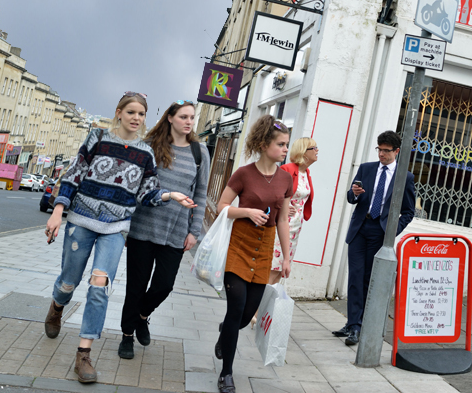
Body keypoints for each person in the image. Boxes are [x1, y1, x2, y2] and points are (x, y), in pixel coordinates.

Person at [42, 93, 196, 383]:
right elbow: (74, 173)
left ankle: (83, 354)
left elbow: (147, 193)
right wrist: (58, 211)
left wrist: (170, 195)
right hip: (81, 220)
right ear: (119, 113)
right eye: (131, 112)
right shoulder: (97, 138)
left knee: (99, 285)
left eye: (141, 114)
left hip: (116, 227)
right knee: (69, 281)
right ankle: (57, 306)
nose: (136, 118)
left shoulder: (146, 154)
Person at [118, 100, 210, 359]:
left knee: (163, 285)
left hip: (176, 231)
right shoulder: (150, 147)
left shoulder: (199, 152)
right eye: (183, 116)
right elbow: (135, 187)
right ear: (170, 118)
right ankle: (126, 336)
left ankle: (142, 316)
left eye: (192, 117)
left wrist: (194, 231)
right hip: (143, 227)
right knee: (135, 286)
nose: (189, 122)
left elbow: (200, 194)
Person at [214, 115, 293, 393]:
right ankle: (226, 374)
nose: (285, 149)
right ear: (263, 144)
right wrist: (246, 211)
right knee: (236, 308)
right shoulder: (244, 174)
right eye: (281, 144)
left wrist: (286, 257)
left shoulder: (286, 179)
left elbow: (282, 219)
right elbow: (222, 206)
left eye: (287, 144)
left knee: (247, 316)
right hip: (240, 244)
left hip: (264, 249)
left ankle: (226, 330)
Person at [332, 130, 415, 346]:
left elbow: (408, 212)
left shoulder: (404, 177)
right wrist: (354, 193)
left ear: (396, 151)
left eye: (386, 151)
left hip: (380, 233)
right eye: (379, 149)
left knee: (369, 279)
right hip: (360, 229)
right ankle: (353, 325)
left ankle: (360, 325)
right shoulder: (367, 168)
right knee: (355, 277)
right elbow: (351, 197)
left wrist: (391, 231)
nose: (382, 154)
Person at [269, 137, 317, 284]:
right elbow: (271, 192)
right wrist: (281, 206)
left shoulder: (306, 172)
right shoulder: (287, 169)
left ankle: (267, 306)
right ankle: (258, 306)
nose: (317, 151)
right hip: (282, 226)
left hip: (295, 229)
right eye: (314, 148)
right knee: (272, 271)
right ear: (304, 151)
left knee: (280, 273)